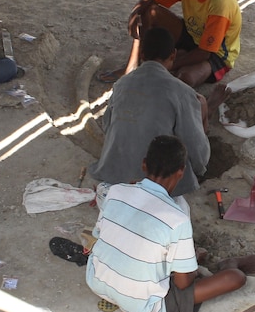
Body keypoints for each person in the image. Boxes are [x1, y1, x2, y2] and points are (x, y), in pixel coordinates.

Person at [86, 135, 255, 312]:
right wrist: (190, 270)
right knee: (235, 278)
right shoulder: (177, 218)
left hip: (97, 282)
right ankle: (229, 264)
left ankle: (183, 263)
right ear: (181, 172)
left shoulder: (116, 192)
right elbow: (182, 284)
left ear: (144, 165)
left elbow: (100, 236)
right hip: (141, 304)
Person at [88, 27, 210, 198]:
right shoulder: (182, 91)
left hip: (113, 171)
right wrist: (200, 169)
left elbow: (108, 125)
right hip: (158, 179)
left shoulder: (122, 84)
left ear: (142, 54)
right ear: (173, 55)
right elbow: (196, 148)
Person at [99, 0, 242, 89]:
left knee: (185, 78)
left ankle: (162, 66)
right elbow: (150, 0)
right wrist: (133, 16)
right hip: (193, 35)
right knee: (150, 12)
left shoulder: (220, 4)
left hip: (216, 54)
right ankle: (133, 64)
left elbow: (204, 53)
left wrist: (167, 65)